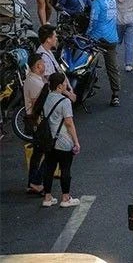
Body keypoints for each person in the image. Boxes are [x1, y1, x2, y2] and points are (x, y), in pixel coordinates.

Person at [41, 72, 81, 208]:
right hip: (63, 140)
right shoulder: (64, 102)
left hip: (49, 140)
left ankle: (47, 197)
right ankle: (65, 197)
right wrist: (76, 141)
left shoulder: (46, 98)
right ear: (59, 86)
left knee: (49, 169)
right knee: (65, 169)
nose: (66, 85)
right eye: (64, 83)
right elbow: (69, 123)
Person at [85, 0, 121, 107]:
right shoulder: (112, 1)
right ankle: (115, 94)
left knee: (88, 64)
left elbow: (93, 22)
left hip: (97, 39)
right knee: (112, 67)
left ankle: (88, 87)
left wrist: (87, 34)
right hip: (112, 39)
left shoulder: (96, 3)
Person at [23, 53, 46, 195]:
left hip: (35, 122)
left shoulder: (34, 80)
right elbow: (38, 104)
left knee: (37, 154)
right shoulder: (35, 83)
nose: (44, 65)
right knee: (49, 153)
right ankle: (36, 182)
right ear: (38, 66)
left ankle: (32, 182)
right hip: (39, 123)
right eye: (43, 63)